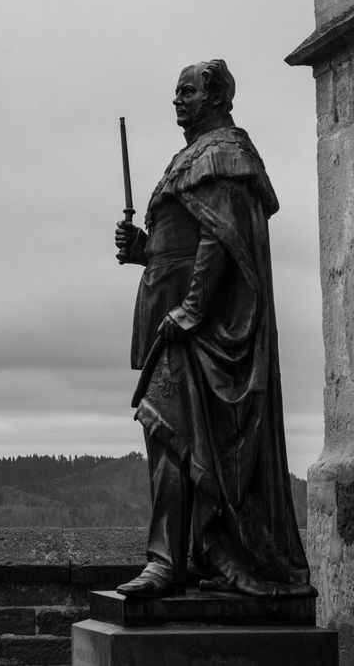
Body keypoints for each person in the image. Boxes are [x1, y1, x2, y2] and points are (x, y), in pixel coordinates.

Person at [114, 60, 313, 599]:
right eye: (175, 92)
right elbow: (181, 238)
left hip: (201, 332)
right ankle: (183, 556)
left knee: (170, 432)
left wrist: (194, 310)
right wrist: (143, 250)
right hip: (172, 316)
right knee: (167, 436)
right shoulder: (190, 157)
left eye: (187, 91)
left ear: (218, 96)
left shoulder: (223, 153)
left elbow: (220, 238)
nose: (177, 100)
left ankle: (166, 563)